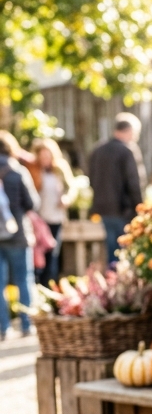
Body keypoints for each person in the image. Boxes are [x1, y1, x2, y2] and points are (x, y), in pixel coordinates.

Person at [89, 118, 143, 264]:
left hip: (103, 208)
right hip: (123, 209)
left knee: (111, 248)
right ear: (129, 131)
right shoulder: (127, 151)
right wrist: (139, 206)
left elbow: (92, 179)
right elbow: (133, 182)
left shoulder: (98, 150)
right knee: (124, 249)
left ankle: (112, 279)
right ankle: (121, 281)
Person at [0, 136, 37, 339]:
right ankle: (26, 324)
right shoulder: (16, 171)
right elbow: (32, 203)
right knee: (23, 279)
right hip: (17, 234)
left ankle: (3, 328)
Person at [28, 139, 76, 286]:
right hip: (39, 219)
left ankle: (49, 285)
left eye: (47, 157)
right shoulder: (34, 169)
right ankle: (38, 285)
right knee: (37, 254)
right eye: (42, 157)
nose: (45, 160)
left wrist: (66, 199)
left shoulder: (59, 169)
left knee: (52, 253)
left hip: (56, 217)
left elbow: (71, 188)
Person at [114, 112, 148, 189]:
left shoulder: (98, 150)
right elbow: (135, 180)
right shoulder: (130, 150)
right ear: (129, 131)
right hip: (124, 200)